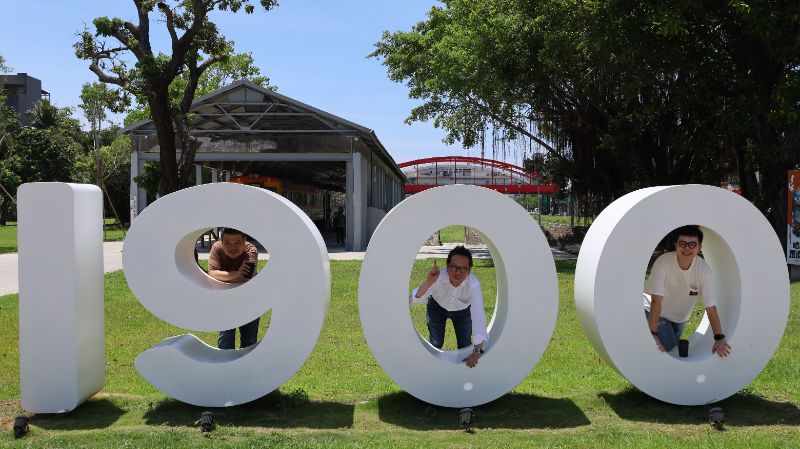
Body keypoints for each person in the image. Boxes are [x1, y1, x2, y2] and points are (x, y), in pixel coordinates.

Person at [643, 225, 731, 357]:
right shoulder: (663, 263)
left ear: (699, 248)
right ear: (676, 245)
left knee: (669, 351)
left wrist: (719, 338)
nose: (687, 248)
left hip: (680, 319)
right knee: (670, 349)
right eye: (682, 244)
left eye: (692, 245)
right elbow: (656, 301)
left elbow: (710, 307)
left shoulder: (703, 271)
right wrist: (653, 334)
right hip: (655, 312)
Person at [410, 245, 489, 368]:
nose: (458, 272)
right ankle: (430, 369)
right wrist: (429, 282)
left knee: (465, 346)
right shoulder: (438, 277)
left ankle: (462, 377)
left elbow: (478, 315)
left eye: (463, 269)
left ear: (469, 270)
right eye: (453, 267)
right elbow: (415, 299)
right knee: (436, 342)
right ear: (447, 267)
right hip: (437, 307)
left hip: (462, 312)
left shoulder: (473, 284)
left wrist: (477, 351)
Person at [207, 228, 260, 350]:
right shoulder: (216, 248)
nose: (233, 247)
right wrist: (236, 274)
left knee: (249, 340)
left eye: (237, 242)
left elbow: (246, 277)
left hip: (249, 299)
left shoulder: (250, 250)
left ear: (244, 242)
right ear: (221, 242)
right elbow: (211, 274)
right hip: (226, 300)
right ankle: (225, 367)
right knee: (225, 339)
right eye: (228, 243)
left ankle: (246, 367)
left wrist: (223, 277)